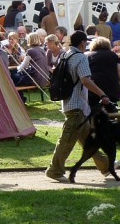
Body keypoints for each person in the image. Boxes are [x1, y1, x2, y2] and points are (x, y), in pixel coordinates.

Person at [45, 31, 113, 182]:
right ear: (82, 43)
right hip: (77, 106)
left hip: (69, 103)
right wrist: (102, 94)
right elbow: (85, 80)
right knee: (66, 141)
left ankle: (107, 166)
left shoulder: (65, 55)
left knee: (89, 141)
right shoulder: (81, 58)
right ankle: (55, 171)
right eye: (86, 43)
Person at [86, 36, 120, 107]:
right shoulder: (114, 55)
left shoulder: (88, 56)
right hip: (112, 88)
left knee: (94, 109)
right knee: (111, 108)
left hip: (94, 89)